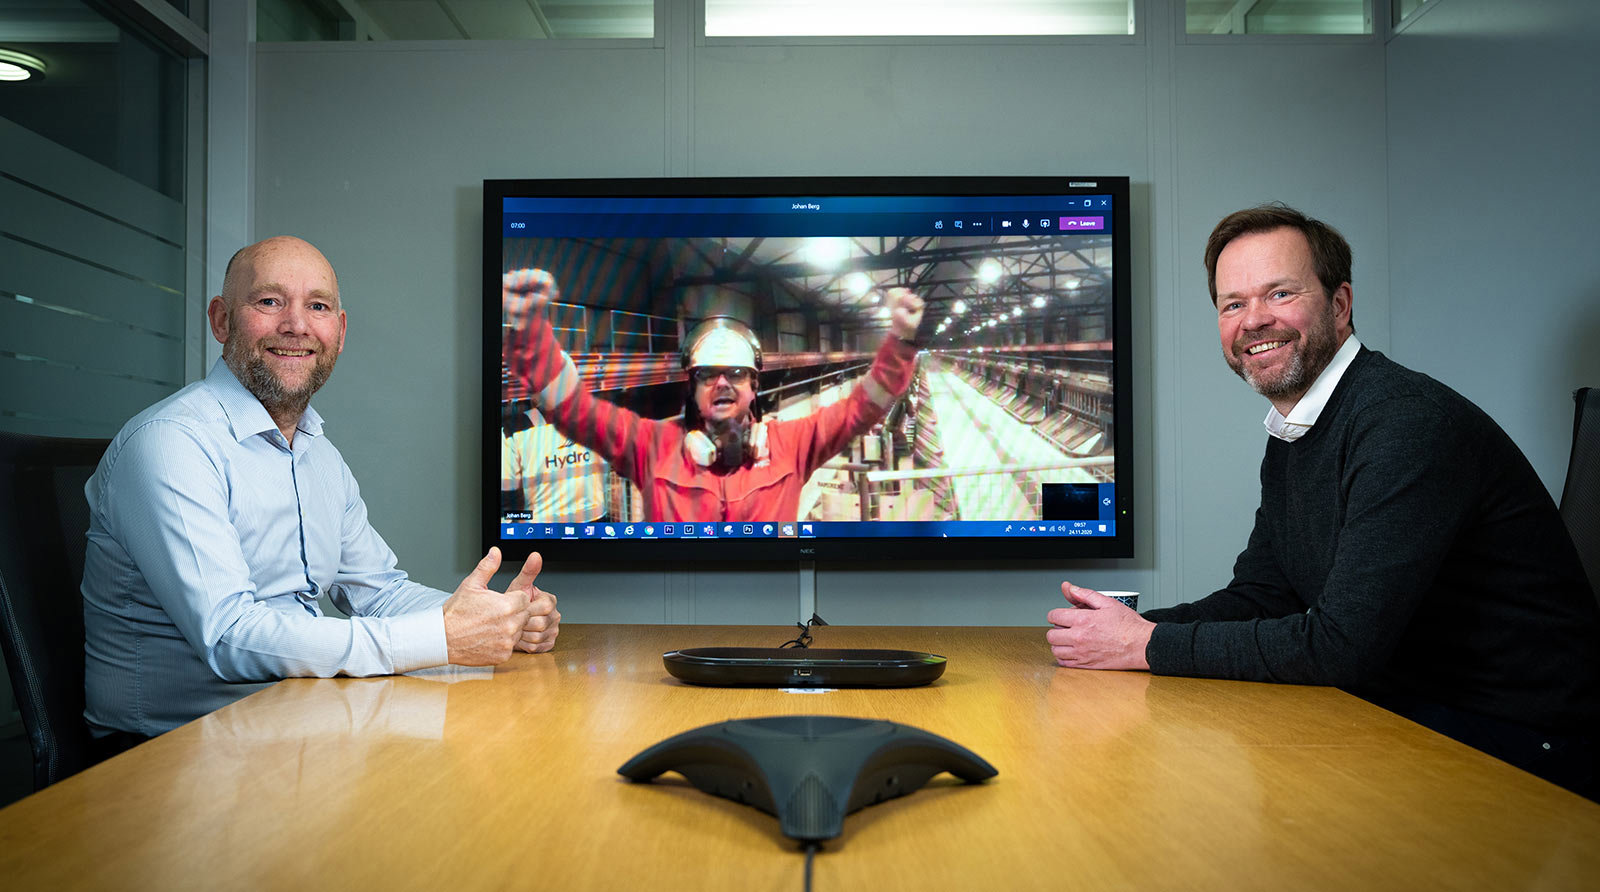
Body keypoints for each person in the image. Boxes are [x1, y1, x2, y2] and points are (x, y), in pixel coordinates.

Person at [1045, 204, 1600, 798]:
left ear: (1339, 305)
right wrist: (1124, 629)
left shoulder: (1403, 423)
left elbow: (1341, 648)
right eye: (1233, 304)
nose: (1254, 320)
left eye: (1279, 293)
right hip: (1409, 707)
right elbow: (1264, 594)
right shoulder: (1295, 429)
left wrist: (1145, 645)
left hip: (1519, 742)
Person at [82, 236, 560, 747]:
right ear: (222, 320)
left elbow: (380, 593)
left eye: (318, 306)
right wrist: (443, 637)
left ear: (340, 330)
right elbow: (230, 636)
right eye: (269, 302)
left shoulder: (317, 453)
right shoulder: (171, 443)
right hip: (167, 754)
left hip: (289, 725)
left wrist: (494, 619)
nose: (296, 324)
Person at [500, 268, 924, 522]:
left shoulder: (792, 444)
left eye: (736, 374)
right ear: (694, 386)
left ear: (755, 385)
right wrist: (529, 329)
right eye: (708, 375)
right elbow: (573, 410)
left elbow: (862, 408)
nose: (722, 383)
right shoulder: (652, 446)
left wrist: (901, 339)